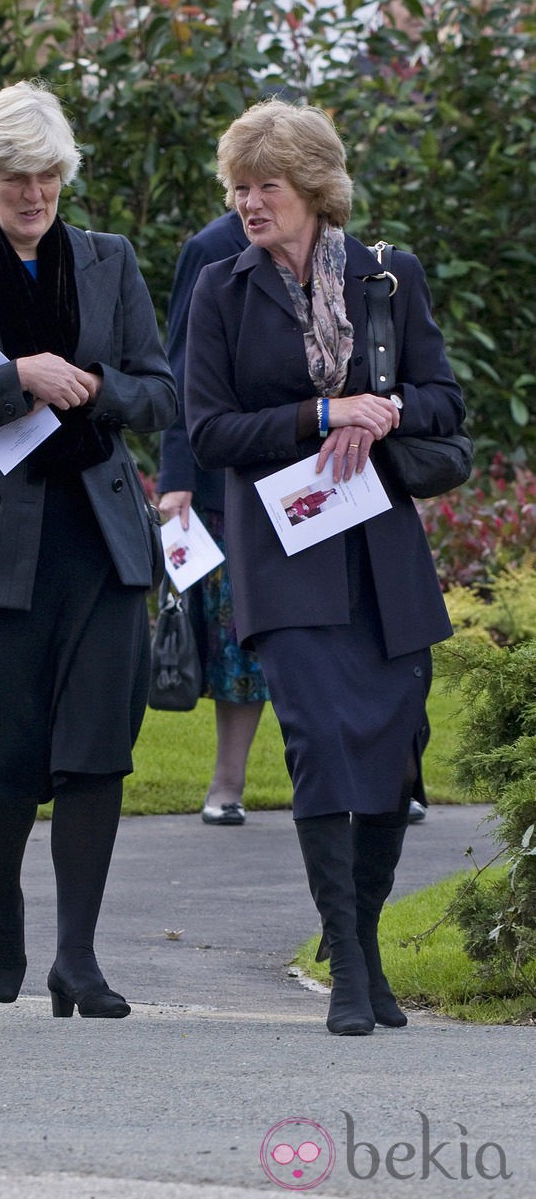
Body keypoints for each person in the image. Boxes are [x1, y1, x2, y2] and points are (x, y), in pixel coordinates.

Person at [0, 81, 176, 1019]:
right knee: (0, 753)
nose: (34, 194)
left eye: (49, 175)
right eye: (15, 176)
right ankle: (4, 900)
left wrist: (93, 386)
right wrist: (14, 379)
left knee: (98, 748)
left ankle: (79, 958)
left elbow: (161, 391)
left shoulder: (109, 260)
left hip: (100, 539)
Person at [185, 97, 465, 1035]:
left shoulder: (389, 278)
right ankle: (345, 964)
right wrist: (320, 415)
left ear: (314, 189)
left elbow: (443, 399)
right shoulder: (221, 290)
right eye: (239, 187)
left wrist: (384, 411)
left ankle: (367, 943)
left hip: (381, 544)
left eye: (266, 185)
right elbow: (209, 428)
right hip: (283, 545)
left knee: (391, 753)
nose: (250, 202)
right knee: (317, 745)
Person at [157, 209, 269, 827]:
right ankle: (228, 783)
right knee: (236, 639)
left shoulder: (341, 250)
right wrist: (176, 478)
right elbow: (181, 364)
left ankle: (392, 781)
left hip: (317, 473)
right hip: (225, 477)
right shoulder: (211, 248)